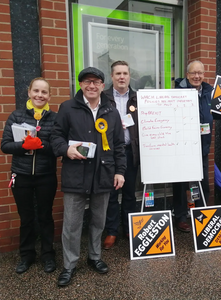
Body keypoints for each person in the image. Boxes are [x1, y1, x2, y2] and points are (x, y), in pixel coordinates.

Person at [51, 67, 126, 287]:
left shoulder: (111, 111)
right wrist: (66, 149)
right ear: (81, 85)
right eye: (86, 82)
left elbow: (119, 145)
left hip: (103, 174)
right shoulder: (67, 108)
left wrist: (120, 171)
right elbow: (55, 137)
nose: (91, 86)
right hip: (76, 174)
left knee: (98, 220)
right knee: (72, 224)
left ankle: (94, 257)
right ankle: (69, 265)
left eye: (96, 82)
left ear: (103, 85)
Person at [1, 77, 58, 274]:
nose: (39, 95)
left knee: (45, 216)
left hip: (46, 175)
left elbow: (58, 148)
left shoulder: (55, 118)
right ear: (29, 92)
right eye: (36, 91)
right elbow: (5, 145)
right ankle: (26, 255)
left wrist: (41, 145)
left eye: (44, 92)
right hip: (22, 175)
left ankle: (48, 255)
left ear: (49, 95)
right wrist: (23, 146)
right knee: (26, 217)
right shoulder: (16, 116)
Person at [172, 60, 214, 233]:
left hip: (202, 146)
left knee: (202, 181)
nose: (197, 76)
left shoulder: (210, 92)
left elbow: (218, 115)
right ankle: (181, 217)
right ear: (187, 74)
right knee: (181, 183)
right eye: (193, 73)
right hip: (181, 146)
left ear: (204, 74)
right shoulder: (177, 92)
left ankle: (201, 215)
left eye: (200, 73)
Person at [103, 61, 139, 250]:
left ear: (129, 76)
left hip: (130, 152)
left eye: (125, 73)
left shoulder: (137, 98)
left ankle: (129, 228)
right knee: (111, 194)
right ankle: (111, 231)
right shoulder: (103, 98)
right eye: (118, 73)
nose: (122, 77)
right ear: (112, 77)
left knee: (129, 193)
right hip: (109, 154)